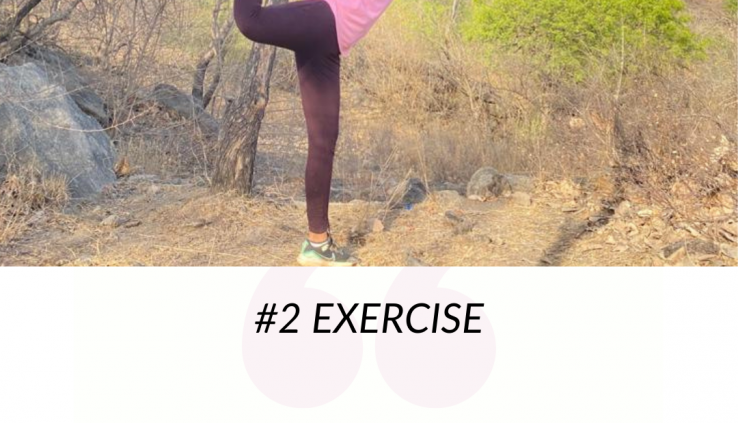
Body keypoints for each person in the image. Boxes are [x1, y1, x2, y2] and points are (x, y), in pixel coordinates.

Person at [233, 0, 393, 267]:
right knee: (251, 21)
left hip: (330, 43)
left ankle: (317, 243)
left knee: (324, 141)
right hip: (323, 18)